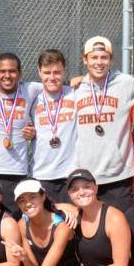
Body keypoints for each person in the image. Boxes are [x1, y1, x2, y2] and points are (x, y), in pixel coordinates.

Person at [73, 36, 134, 211]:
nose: (99, 62)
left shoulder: (127, 83)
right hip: (86, 176)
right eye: (94, 58)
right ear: (85, 60)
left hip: (118, 175)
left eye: (104, 57)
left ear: (111, 59)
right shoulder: (76, 88)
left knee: (121, 230)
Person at [0, 53, 42, 215]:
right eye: (2, 71)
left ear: (20, 73)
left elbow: (54, 82)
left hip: (16, 171)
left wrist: (80, 80)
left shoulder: (30, 89)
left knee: (13, 220)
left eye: (12, 71)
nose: (7, 76)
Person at [29, 49, 78, 203]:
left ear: (64, 71)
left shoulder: (76, 93)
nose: (52, 77)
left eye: (57, 72)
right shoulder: (32, 98)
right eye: (47, 72)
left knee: (70, 223)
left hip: (69, 174)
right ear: (39, 72)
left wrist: (85, 78)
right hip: (41, 173)